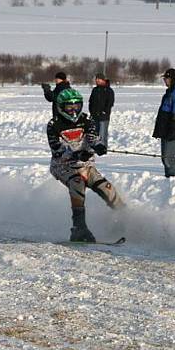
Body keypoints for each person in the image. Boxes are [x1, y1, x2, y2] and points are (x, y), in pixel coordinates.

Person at [47, 88, 125, 242]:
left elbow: (92, 136)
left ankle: (126, 219)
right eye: (70, 106)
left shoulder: (85, 119)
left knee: (106, 188)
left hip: (85, 165)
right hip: (63, 166)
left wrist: (98, 146)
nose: (74, 110)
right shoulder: (53, 124)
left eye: (77, 106)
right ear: (61, 107)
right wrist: (74, 154)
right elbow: (56, 148)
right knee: (77, 183)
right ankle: (79, 228)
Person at [152, 68, 175, 178]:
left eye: (166, 78)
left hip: (172, 130)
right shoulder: (171, 91)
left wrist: (172, 131)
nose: (165, 80)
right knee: (164, 158)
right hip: (166, 129)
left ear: (172, 79)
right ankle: (168, 178)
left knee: (169, 157)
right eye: (164, 78)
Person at [88, 72, 115, 148]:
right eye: (96, 79)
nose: (97, 80)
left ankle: (103, 149)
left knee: (102, 134)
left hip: (103, 117)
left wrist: (104, 112)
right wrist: (91, 111)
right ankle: (95, 148)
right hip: (94, 116)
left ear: (103, 80)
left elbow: (110, 103)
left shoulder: (109, 90)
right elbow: (91, 101)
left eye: (98, 79)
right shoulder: (95, 90)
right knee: (94, 134)